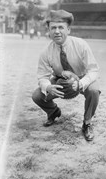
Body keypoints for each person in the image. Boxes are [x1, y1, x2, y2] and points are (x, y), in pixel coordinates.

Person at [32, 10, 101, 141]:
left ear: (68, 30)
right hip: (60, 80)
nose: (57, 31)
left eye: (60, 27)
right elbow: (42, 76)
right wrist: (48, 87)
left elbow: (94, 70)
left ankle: (87, 123)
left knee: (94, 90)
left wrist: (81, 83)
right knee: (37, 96)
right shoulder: (46, 52)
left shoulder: (81, 44)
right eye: (53, 28)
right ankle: (53, 112)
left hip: (82, 77)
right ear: (49, 30)